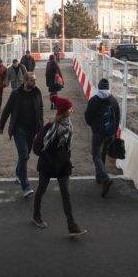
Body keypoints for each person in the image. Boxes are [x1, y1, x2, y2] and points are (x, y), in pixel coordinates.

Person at [32, 95, 86, 237]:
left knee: (66, 194)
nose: (72, 111)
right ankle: (36, 215)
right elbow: (37, 147)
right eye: (69, 109)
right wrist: (48, 154)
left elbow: (68, 146)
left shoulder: (69, 124)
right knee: (41, 190)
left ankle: (71, 225)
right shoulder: (50, 127)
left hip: (62, 165)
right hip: (48, 164)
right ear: (63, 111)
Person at [0, 72, 44, 197]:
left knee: (26, 155)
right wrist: (1, 126)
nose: (34, 82)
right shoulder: (16, 94)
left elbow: (40, 108)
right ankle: (26, 186)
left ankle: (18, 173)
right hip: (19, 130)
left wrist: (41, 127)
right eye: (31, 80)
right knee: (23, 155)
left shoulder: (37, 92)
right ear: (25, 80)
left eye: (34, 80)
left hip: (32, 130)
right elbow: (7, 109)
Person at [84, 78, 120, 197]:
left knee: (95, 154)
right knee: (103, 153)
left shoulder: (94, 100)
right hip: (110, 133)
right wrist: (114, 131)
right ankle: (99, 176)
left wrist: (94, 126)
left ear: (99, 87)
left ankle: (104, 178)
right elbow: (118, 117)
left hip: (98, 132)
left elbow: (88, 116)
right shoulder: (113, 100)